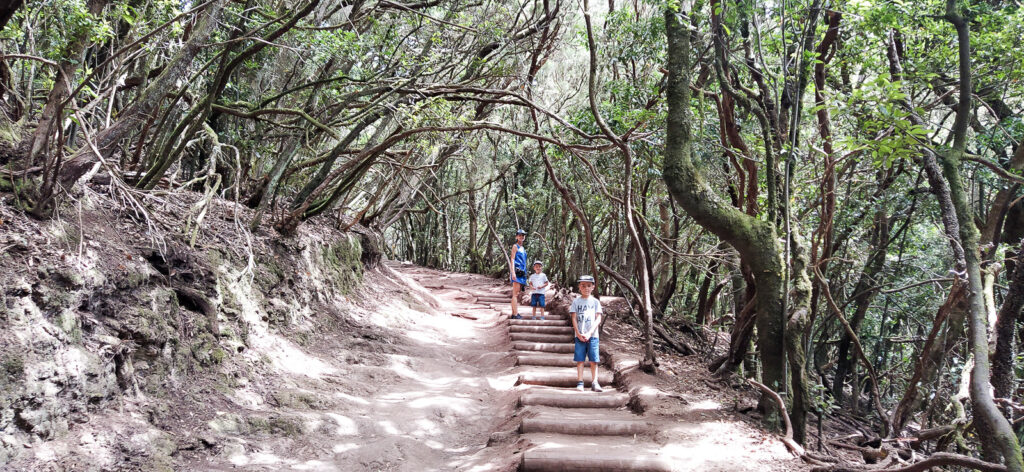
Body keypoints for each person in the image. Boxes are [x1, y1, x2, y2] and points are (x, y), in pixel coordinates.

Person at [570, 275, 603, 392]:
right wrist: (578, 333)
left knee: (594, 360)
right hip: (579, 335)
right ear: (579, 287)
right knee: (580, 359)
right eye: (583, 286)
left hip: (593, 336)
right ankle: (580, 382)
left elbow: (598, 318)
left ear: (593, 287)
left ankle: (595, 382)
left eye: (589, 286)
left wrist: (589, 333)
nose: (586, 288)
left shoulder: (595, 302)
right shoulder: (576, 302)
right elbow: (574, 318)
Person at [508, 229, 528, 319]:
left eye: (523, 235)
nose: (521, 237)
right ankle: (515, 314)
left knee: (517, 293)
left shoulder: (523, 248)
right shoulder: (515, 246)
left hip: (522, 273)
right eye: (520, 235)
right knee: (515, 294)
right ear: (516, 236)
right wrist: (513, 272)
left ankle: (514, 313)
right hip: (516, 272)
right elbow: (512, 259)